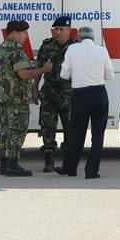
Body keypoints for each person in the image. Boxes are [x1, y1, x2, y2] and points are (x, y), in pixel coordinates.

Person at [0, 20, 52, 176]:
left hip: (4, 98)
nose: (25, 36)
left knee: (5, 130)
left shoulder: (0, 49)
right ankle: (12, 165)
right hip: (17, 99)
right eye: (23, 33)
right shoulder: (16, 51)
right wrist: (44, 69)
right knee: (17, 130)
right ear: (14, 33)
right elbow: (24, 74)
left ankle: (4, 165)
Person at [56, 26, 115, 179]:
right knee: (98, 135)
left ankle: (71, 169)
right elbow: (110, 75)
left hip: (80, 95)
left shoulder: (72, 49)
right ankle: (91, 171)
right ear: (93, 38)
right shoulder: (102, 50)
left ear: (78, 38)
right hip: (99, 94)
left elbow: (64, 75)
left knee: (76, 133)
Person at [34, 16, 78, 172]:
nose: (58, 32)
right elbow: (38, 69)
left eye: (62, 29)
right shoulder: (47, 46)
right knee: (47, 126)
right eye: (56, 29)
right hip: (49, 92)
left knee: (70, 128)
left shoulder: (75, 47)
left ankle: (68, 161)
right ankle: (49, 160)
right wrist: (35, 89)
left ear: (69, 30)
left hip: (68, 94)